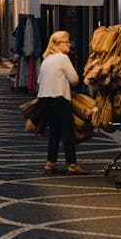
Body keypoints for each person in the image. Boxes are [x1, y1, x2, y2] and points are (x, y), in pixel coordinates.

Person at [37, 30, 88, 175]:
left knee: (54, 132)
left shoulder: (46, 59)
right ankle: (72, 164)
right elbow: (74, 79)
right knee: (67, 132)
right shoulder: (62, 58)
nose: (69, 44)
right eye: (66, 41)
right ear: (58, 44)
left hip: (45, 100)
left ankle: (50, 162)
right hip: (59, 99)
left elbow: (39, 81)